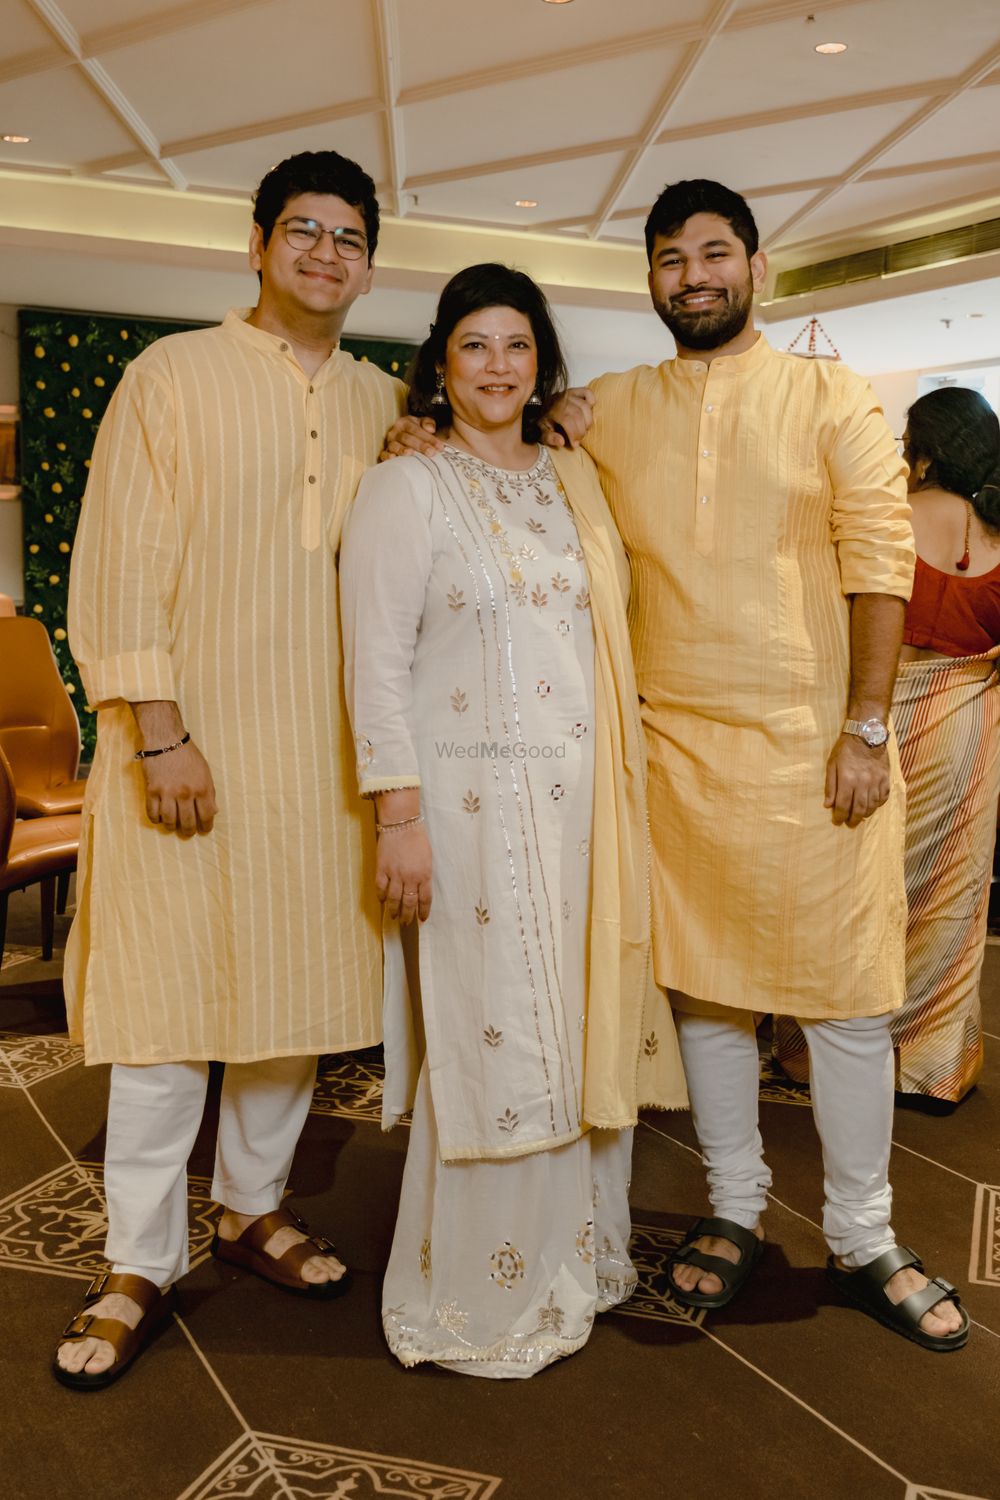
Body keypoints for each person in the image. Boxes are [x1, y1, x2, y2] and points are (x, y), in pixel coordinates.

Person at [384, 181, 969, 1353]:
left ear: (757, 265)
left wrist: (863, 728)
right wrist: (422, 434)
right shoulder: (609, 411)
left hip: (818, 753)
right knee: (707, 997)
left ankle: (862, 1234)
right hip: (674, 757)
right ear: (647, 279)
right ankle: (735, 1207)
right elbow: (511, 458)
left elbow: (879, 565)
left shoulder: (829, 398)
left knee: (847, 999)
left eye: (713, 253)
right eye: (668, 258)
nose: (691, 275)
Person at [54, 150, 406, 1390]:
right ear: (255, 246)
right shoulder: (171, 376)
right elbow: (118, 564)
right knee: (165, 1015)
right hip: (185, 748)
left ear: (371, 261)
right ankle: (136, 1260)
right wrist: (158, 731)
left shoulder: (382, 402)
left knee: (291, 1006)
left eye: (348, 235)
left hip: (323, 765)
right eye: (302, 230)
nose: (325, 251)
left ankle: (248, 1208)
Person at [340, 263, 686, 1377]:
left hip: (583, 808)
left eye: (517, 346)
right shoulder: (407, 485)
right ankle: (477, 1290)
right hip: (467, 809)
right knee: (492, 1031)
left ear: (543, 363)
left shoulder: (571, 475)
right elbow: (376, 663)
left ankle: (571, 1261)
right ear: (440, 360)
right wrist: (398, 814)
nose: (497, 367)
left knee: (575, 1017)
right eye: (475, 345)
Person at [775, 387, 1000, 1112]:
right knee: (948, 900)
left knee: (853, 892)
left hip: (879, 726)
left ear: (925, 448)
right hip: (968, 733)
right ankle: (927, 1063)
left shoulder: (891, 518)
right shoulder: (997, 531)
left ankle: (826, 1054)